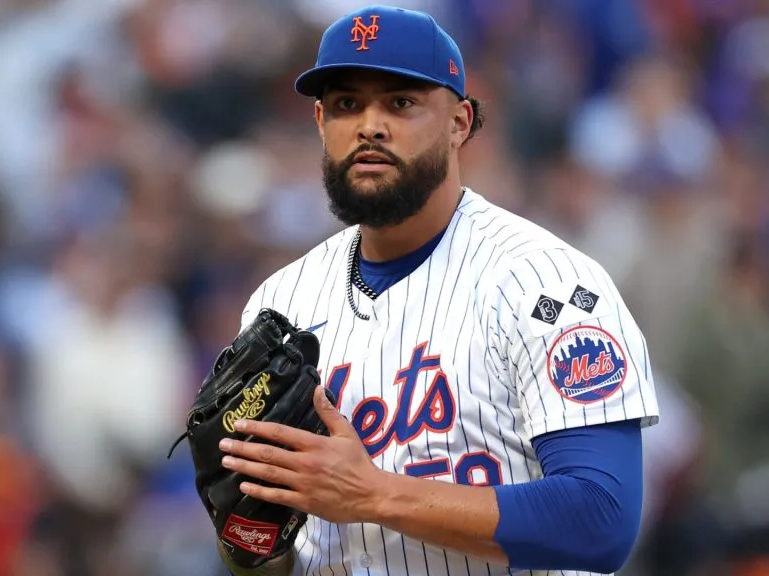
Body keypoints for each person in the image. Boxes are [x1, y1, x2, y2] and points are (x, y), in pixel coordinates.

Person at [215, 5, 659, 575]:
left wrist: (373, 494)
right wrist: (246, 529)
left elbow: (601, 518)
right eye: (347, 104)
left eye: (401, 102)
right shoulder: (280, 303)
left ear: (460, 122)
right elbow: (273, 554)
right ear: (321, 121)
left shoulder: (547, 283)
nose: (370, 126)